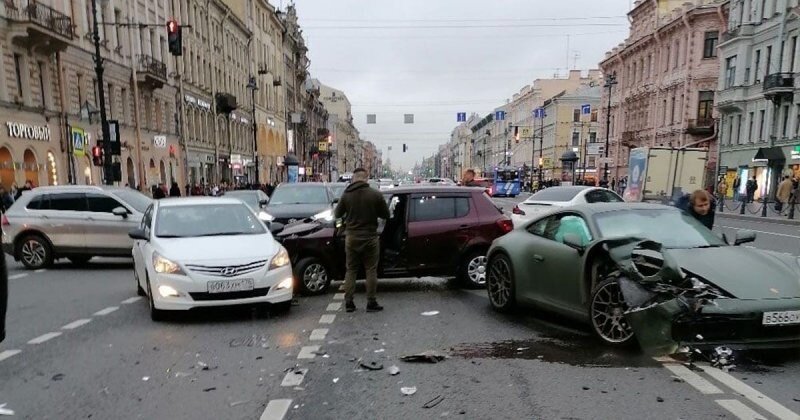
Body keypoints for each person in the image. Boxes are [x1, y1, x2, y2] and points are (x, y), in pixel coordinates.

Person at [334, 168, 390, 313]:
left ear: (354, 178)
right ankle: (371, 302)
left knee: (351, 270)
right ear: (366, 178)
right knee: (371, 270)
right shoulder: (375, 194)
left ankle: (349, 303)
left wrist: (341, 226)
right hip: (370, 237)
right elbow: (386, 214)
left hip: (351, 237)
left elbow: (337, 214)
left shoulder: (346, 195)